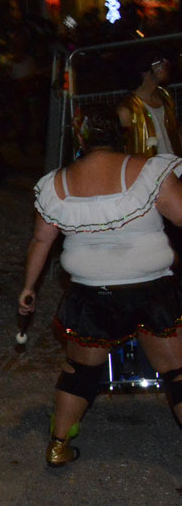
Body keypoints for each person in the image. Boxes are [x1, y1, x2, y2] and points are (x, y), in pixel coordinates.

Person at [18, 104, 182, 466]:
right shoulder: (148, 171)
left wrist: (28, 287)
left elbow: (41, 241)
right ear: (119, 134)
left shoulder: (54, 183)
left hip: (92, 294)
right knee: (176, 372)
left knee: (80, 372)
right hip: (149, 291)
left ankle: (58, 445)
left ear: (80, 137)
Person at [117, 53, 178, 156]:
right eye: (159, 62)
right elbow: (124, 148)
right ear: (145, 72)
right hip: (148, 169)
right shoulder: (127, 109)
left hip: (174, 167)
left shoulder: (166, 97)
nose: (165, 64)